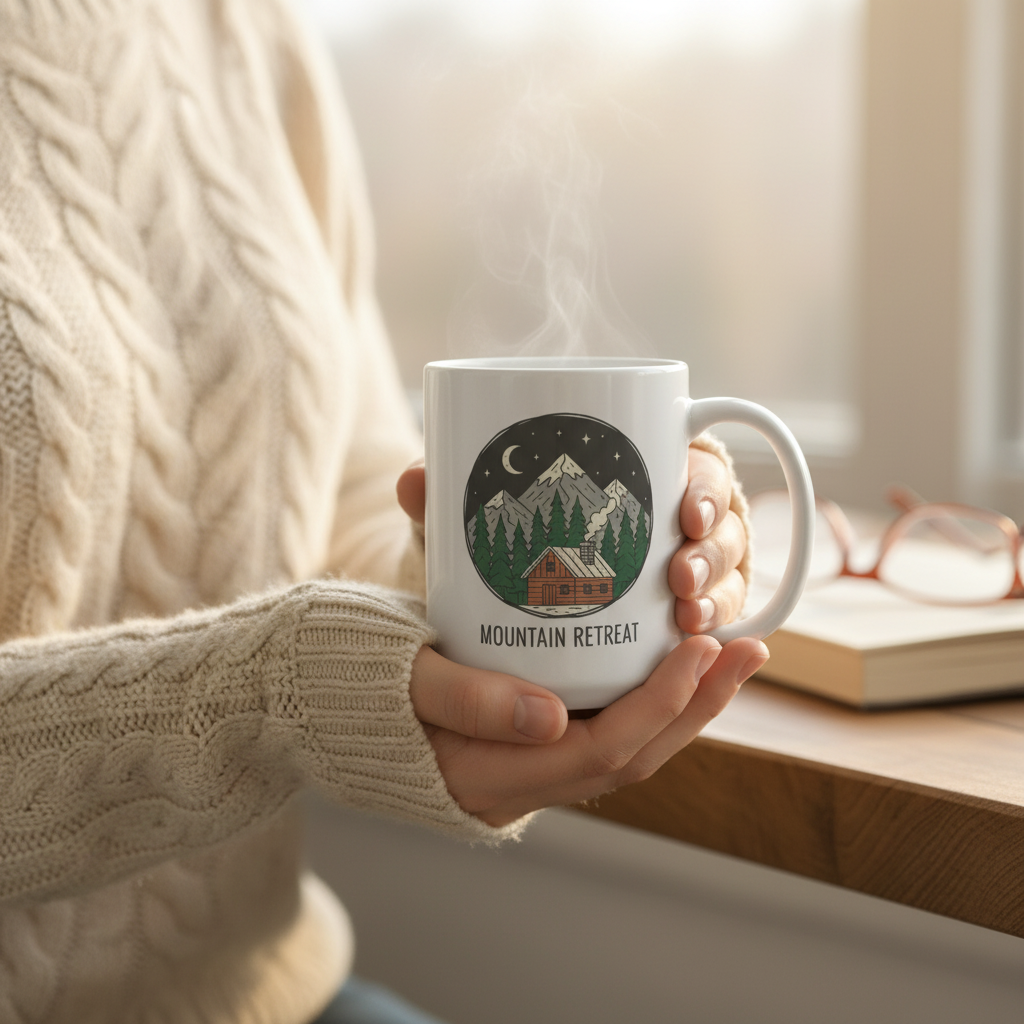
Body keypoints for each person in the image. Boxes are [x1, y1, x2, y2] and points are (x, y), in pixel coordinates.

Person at [0, 0, 767, 1021]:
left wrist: (496, 588)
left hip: (260, 987)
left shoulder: (234, 28)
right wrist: (275, 695)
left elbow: (349, 494)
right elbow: (290, 675)